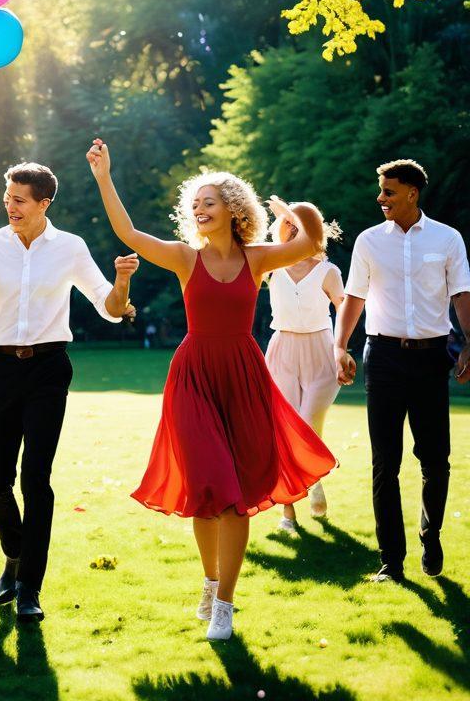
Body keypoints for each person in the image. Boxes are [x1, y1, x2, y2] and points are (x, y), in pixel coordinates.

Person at [87, 141, 336, 640]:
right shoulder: (185, 258)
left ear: (234, 210)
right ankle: (210, 581)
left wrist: (293, 211)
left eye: (210, 202)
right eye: (195, 203)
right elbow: (129, 233)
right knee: (208, 489)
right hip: (194, 378)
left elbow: (312, 240)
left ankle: (224, 604)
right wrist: (104, 177)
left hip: (243, 377)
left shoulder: (258, 258)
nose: (199, 209)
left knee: (236, 496)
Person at [0, 162, 138, 623]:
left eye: (19, 199)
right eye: (8, 197)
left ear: (44, 203)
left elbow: (109, 308)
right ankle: (15, 555)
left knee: (36, 480)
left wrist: (122, 281)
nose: (10, 206)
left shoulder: (70, 247)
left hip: (48, 370)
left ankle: (29, 587)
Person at [335, 159, 470, 582]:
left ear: (412, 193)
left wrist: (469, 341)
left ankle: (431, 536)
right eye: (381, 191)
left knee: (436, 460)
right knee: (385, 463)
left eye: (388, 191)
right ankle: (391, 561)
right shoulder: (369, 241)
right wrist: (340, 346)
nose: (381, 198)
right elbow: (354, 297)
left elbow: (461, 293)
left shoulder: (447, 238)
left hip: (431, 359)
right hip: (384, 358)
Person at [264, 203, 346, 532]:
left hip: (321, 352)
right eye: (287, 222)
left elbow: (344, 309)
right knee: (285, 432)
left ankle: (315, 477)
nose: (292, 227)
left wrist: (342, 349)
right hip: (282, 352)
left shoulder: (328, 271)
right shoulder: (270, 265)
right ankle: (288, 514)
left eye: (299, 222)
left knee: (308, 427)